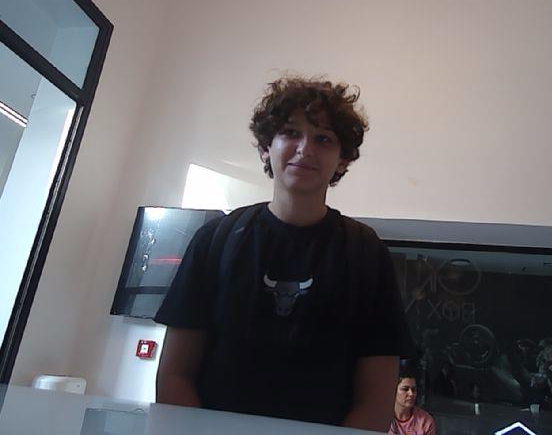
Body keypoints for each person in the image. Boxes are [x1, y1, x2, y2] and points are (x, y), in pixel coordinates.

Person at [154, 77, 414, 432]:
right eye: (291, 133)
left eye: (323, 138)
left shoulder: (367, 252)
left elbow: (376, 400)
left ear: (342, 160)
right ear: (266, 148)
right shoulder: (215, 240)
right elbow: (174, 375)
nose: (305, 149)